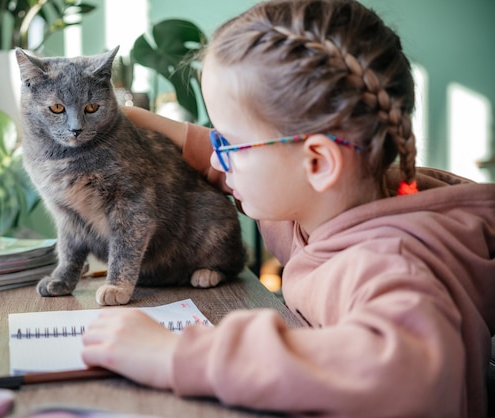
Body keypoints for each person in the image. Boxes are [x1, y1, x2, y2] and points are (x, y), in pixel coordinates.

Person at [81, 0, 495, 416]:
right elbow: (222, 159)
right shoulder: (310, 201)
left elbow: (402, 374)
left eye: (231, 144)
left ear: (317, 163)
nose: (221, 160)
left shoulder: (389, 266)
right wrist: (133, 119)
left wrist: (172, 356)